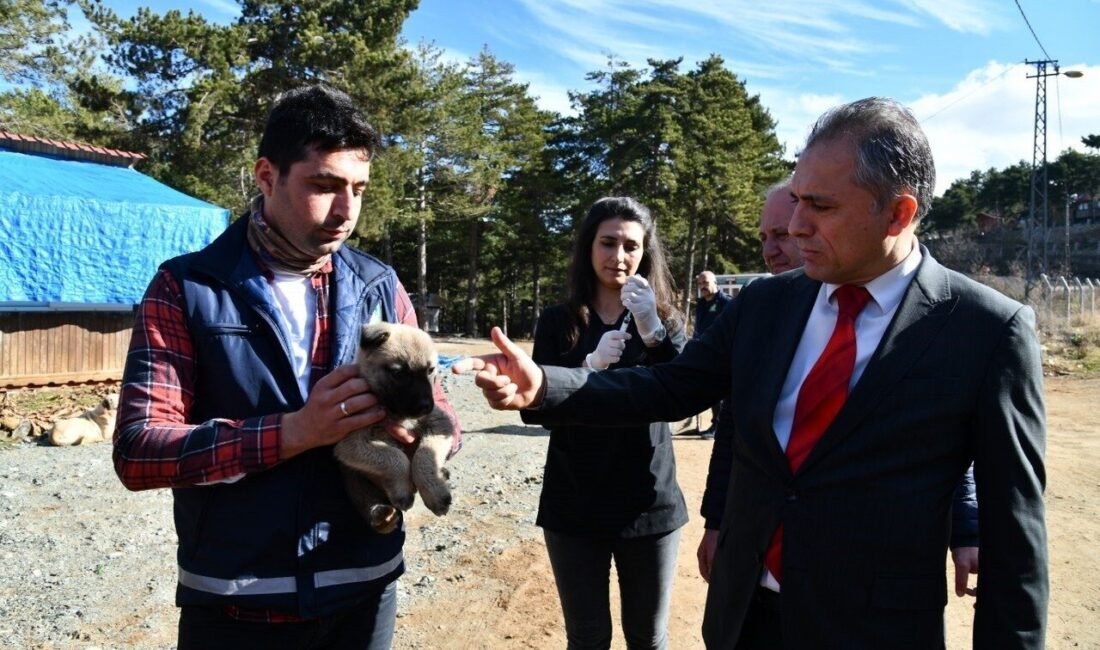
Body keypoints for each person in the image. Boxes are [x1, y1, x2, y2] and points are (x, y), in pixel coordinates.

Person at [455, 97, 1047, 649]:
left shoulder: (986, 330)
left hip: (872, 628)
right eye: (798, 199)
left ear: (898, 213)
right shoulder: (766, 304)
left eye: (820, 206)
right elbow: (672, 386)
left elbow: (1015, 539)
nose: (796, 225)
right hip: (745, 619)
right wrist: (547, 384)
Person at [113, 85, 459, 649]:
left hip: (365, 590)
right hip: (236, 601)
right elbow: (138, 451)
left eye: (359, 189)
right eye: (323, 186)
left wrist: (419, 443)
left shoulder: (381, 287)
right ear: (266, 176)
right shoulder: (187, 287)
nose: (346, 211)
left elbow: (438, 411)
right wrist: (293, 432)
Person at [697, 176, 981, 602]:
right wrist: (716, 520)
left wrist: (967, 527)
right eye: (764, 237)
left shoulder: (926, 318)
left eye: (782, 233)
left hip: (859, 592)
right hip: (757, 575)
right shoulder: (760, 313)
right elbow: (736, 434)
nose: (773, 248)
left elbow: (943, 440)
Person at [525, 196, 688, 650]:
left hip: (649, 505)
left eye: (631, 246)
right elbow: (534, 410)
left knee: (647, 637)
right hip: (574, 504)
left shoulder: (664, 320)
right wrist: (587, 367)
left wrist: (654, 331)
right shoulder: (558, 321)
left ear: (645, 253)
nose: (619, 255)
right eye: (608, 242)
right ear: (589, 247)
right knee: (587, 638)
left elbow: (684, 393)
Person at [693, 271, 732, 439]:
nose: (703, 286)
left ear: (715, 283)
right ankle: (714, 423)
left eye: (706, 282)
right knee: (709, 390)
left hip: (722, 354)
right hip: (703, 352)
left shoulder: (726, 302)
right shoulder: (701, 304)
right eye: (700, 283)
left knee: (720, 392)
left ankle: (719, 427)